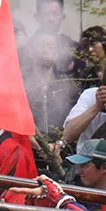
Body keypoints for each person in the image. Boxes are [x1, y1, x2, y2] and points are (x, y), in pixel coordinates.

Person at [23, 30, 77, 158]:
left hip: (61, 154)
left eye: (51, 46)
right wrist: (41, 148)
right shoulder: (21, 84)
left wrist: (59, 145)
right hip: (28, 153)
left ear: (57, 54)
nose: (45, 50)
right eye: (40, 46)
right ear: (30, 52)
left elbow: (74, 120)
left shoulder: (68, 85)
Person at [31, 0, 77, 74]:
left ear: (63, 17)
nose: (51, 19)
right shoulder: (28, 48)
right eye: (45, 14)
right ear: (36, 17)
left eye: (55, 14)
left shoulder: (75, 49)